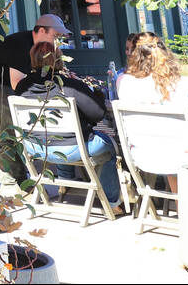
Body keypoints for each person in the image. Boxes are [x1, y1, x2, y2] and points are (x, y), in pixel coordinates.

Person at [13, 41, 123, 212]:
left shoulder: (22, 87)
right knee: (109, 146)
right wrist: (98, 96)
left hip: (35, 147)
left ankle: (66, 184)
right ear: (59, 60)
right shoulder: (69, 86)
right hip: (71, 149)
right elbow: (97, 113)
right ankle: (111, 202)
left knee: (61, 136)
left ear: (33, 60)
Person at [116, 32, 188, 192]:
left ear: (134, 57)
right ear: (164, 54)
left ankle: (182, 206)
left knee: (173, 144)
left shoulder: (124, 83)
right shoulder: (184, 85)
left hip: (145, 155)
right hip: (184, 156)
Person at [0, 14, 70, 175]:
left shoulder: (41, 47)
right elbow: (18, 84)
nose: (57, 41)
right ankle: (14, 179)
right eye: (55, 36)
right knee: (6, 128)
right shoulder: (21, 45)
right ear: (42, 31)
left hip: (14, 86)